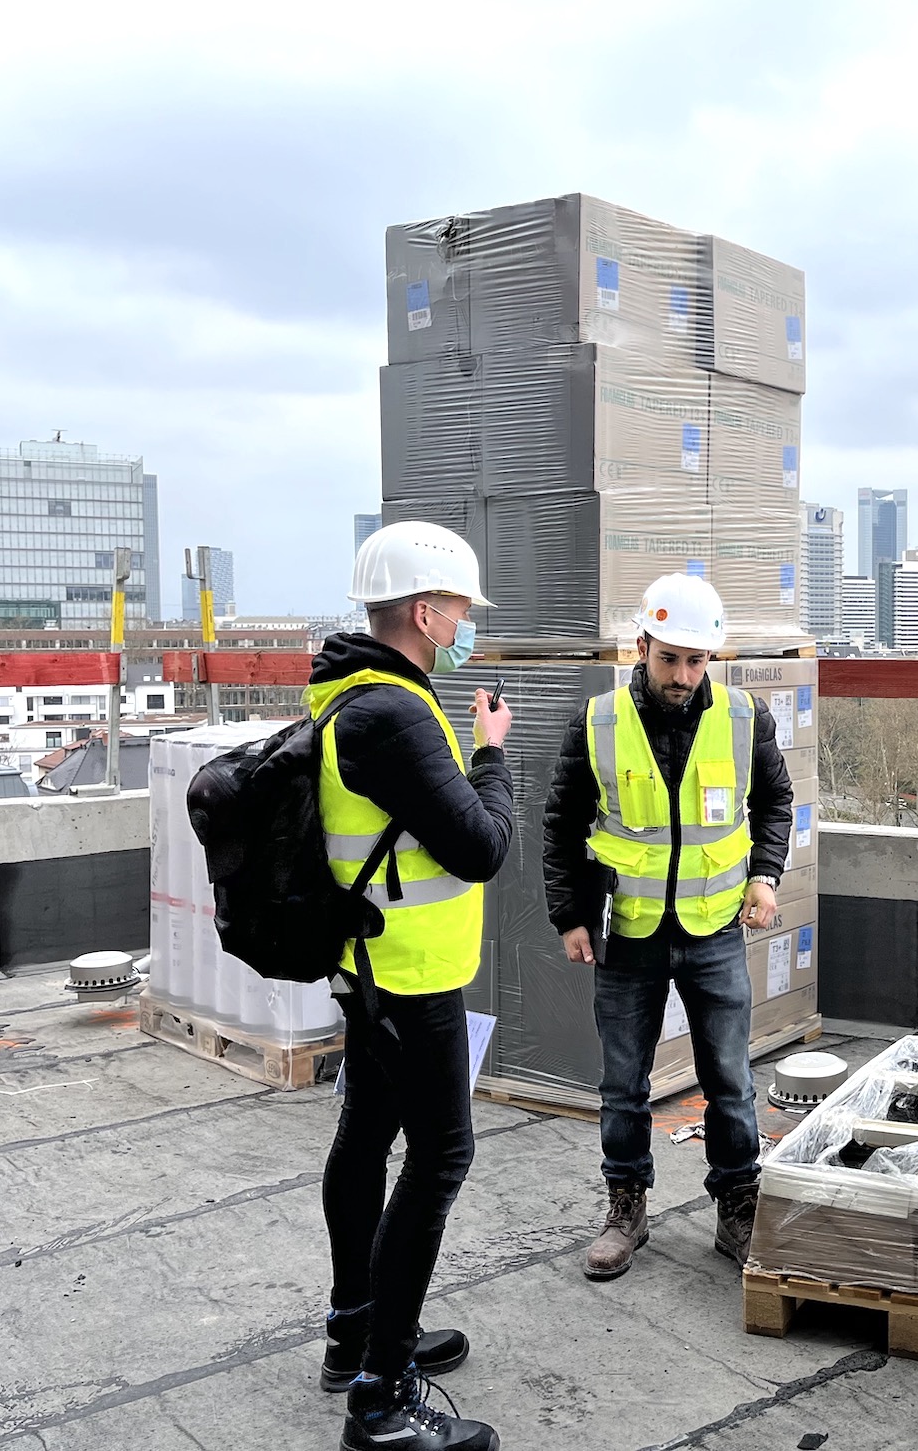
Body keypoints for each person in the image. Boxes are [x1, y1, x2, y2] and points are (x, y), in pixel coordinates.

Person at [311, 521, 515, 1451]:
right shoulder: (391, 712)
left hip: (373, 971)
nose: (467, 623)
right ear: (425, 611)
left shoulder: (353, 691)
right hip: (408, 979)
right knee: (440, 1159)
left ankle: (356, 1329)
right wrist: (493, 757)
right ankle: (380, 1398)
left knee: (366, 1140)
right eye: (461, 608)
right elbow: (480, 846)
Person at [543, 572, 794, 1280]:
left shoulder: (745, 719)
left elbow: (776, 802)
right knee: (624, 1082)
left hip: (715, 929)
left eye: (697, 660)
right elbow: (561, 824)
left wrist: (766, 876)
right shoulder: (597, 723)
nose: (683, 676)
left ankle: (736, 1211)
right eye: (669, 659)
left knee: (731, 1081)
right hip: (630, 932)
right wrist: (569, 915)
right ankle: (626, 1211)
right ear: (642, 645)